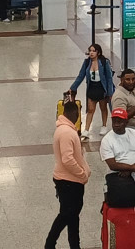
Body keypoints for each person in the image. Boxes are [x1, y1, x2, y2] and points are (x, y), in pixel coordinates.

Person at [46, 101, 90, 249]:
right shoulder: (67, 132)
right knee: (66, 215)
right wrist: (82, 174)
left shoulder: (65, 129)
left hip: (69, 180)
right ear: (75, 113)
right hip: (69, 181)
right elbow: (67, 159)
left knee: (72, 216)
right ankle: (50, 244)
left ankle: (74, 245)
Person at [99, 108, 135, 202]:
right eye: (114, 121)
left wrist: (130, 170)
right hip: (117, 181)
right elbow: (112, 165)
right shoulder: (106, 140)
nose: (116, 124)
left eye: (119, 121)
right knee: (117, 209)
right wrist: (134, 168)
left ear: (126, 122)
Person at [69, 43, 115, 139]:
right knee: (90, 109)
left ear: (98, 52)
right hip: (91, 88)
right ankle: (86, 129)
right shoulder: (87, 62)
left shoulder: (104, 62)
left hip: (102, 88)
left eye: (94, 51)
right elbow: (81, 76)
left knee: (103, 108)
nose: (91, 53)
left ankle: (104, 125)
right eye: (90, 51)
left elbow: (109, 78)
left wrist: (110, 92)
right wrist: (73, 87)